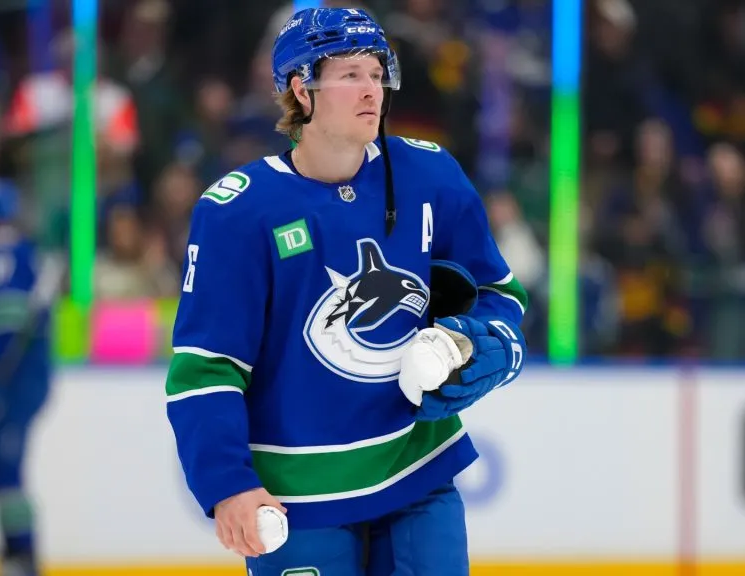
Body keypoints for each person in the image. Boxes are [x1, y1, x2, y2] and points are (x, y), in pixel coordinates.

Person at [166, 7, 528, 575]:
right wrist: (227, 482)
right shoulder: (237, 211)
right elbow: (207, 368)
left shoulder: (430, 176)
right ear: (300, 89)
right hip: (297, 495)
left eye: (378, 72)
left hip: (418, 472)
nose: (372, 89)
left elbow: (498, 297)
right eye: (351, 73)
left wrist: (477, 346)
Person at [0, 178, 57, 576]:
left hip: (15, 382)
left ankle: (23, 554)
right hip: (9, 382)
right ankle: (14, 550)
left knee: (6, 466)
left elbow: (6, 321)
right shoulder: (25, 254)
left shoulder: (3, 252)